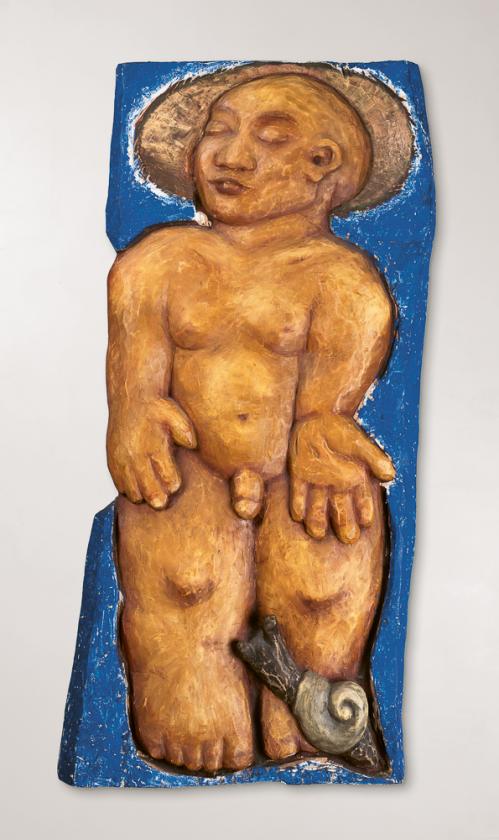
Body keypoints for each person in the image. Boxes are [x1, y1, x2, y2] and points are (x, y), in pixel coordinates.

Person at [106, 64, 413, 773]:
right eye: (218, 132)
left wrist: (321, 425)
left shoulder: (341, 276)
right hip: (189, 460)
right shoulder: (158, 262)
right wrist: (133, 413)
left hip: (299, 465)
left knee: (321, 572)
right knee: (180, 575)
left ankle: (308, 705)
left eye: (270, 140)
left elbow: (336, 385)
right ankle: (190, 687)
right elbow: (134, 366)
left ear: (322, 167)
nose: (231, 156)